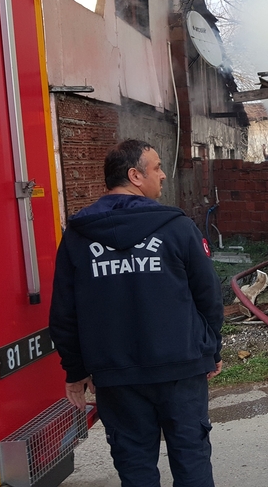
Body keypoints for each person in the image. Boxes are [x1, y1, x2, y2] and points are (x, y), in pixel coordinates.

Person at [49, 139, 223, 487]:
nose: (162, 175)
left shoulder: (79, 237)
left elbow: (64, 311)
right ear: (135, 175)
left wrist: (76, 370)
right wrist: (210, 349)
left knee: (135, 465)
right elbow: (208, 294)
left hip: (116, 373)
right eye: (156, 167)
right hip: (180, 367)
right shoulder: (177, 227)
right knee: (191, 457)